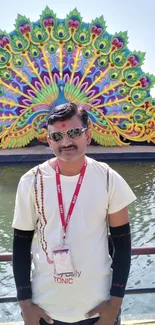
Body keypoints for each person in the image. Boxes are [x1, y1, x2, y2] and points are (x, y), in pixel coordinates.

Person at [12, 102, 136, 325]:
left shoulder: (109, 179)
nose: (66, 141)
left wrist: (114, 305)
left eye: (74, 132)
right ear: (49, 141)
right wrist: (25, 304)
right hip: (45, 310)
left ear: (88, 136)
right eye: (57, 136)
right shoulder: (31, 181)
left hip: (98, 309)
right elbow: (20, 244)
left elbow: (122, 244)